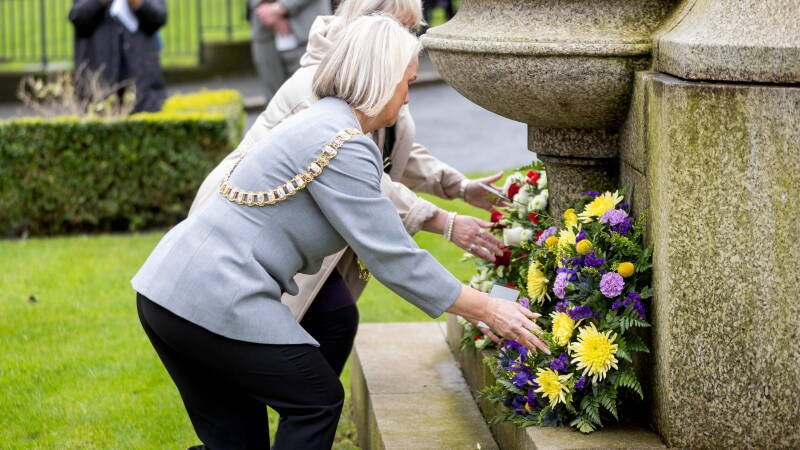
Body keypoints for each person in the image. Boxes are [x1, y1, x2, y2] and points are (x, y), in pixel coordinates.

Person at [133, 15, 548, 449]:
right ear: (382, 80)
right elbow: (393, 257)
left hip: (166, 293)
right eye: (406, 83)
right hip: (209, 299)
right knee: (316, 399)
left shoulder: (323, 122)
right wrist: (488, 309)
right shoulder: (343, 143)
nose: (407, 99)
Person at [191, 0, 507, 377]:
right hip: (246, 236)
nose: (406, 39)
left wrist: (459, 186)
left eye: (412, 30)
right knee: (314, 338)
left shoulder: (373, 77)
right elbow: (363, 181)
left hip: (285, 239)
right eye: (400, 27)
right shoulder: (324, 85)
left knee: (320, 336)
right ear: (368, 21)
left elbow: (389, 147)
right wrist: (445, 223)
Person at [69, 0, 167, 112]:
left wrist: (137, 3)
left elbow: (159, 17)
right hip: (100, 82)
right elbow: (78, 17)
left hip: (142, 83)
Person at [248, 0, 330, 104]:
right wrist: (264, 7)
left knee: (311, 99)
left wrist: (280, 8)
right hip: (265, 30)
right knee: (273, 105)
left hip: (307, 27)